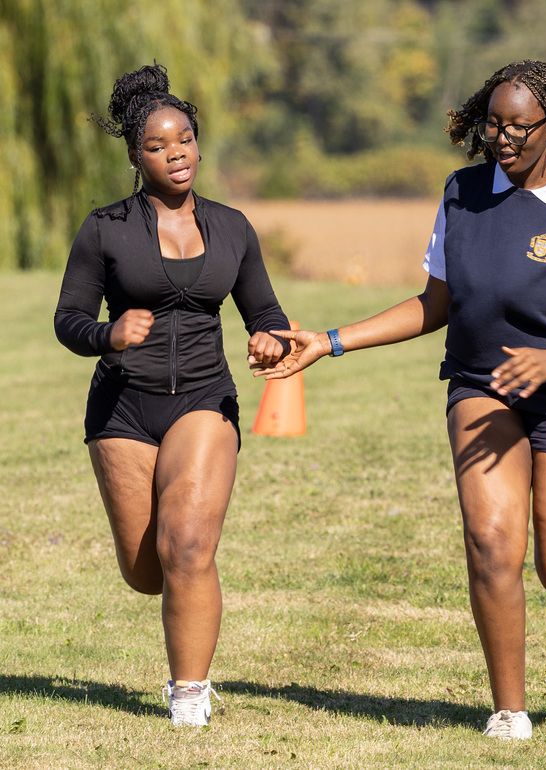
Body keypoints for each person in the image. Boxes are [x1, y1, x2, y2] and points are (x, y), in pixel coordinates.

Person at [255, 60, 546, 739]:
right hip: (482, 385)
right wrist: (331, 340)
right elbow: (434, 304)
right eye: (493, 124)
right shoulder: (462, 194)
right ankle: (509, 710)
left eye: (519, 127)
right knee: (491, 542)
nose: (503, 138)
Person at [54, 64, 291, 726]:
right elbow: (67, 319)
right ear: (136, 156)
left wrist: (270, 339)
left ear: (198, 143)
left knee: (186, 546)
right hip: (122, 407)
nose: (175, 153)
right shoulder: (105, 228)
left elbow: (266, 312)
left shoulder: (232, 227)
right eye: (158, 146)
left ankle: (189, 692)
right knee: (147, 572)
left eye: (184, 139)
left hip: (204, 401)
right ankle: (180, 625)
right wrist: (108, 334)